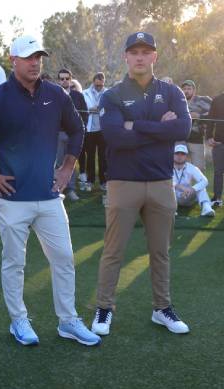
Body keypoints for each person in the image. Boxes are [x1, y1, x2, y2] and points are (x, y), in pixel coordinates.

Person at [0, 36, 101, 347]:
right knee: (14, 262)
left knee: (64, 258)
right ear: (13, 61)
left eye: (39, 56)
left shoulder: (56, 94)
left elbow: (78, 130)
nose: (35, 62)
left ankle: (68, 321)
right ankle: (18, 321)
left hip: (49, 196)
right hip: (10, 199)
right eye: (28, 57)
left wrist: (66, 168)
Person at [91, 32, 192, 336]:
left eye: (145, 52)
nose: (139, 57)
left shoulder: (171, 91)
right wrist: (160, 128)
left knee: (160, 251)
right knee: (113, 251)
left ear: (154, 56)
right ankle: (104, 308)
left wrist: (136, 126)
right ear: (126, 57)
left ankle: (162, 308)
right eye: (134, 52)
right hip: (124, 182)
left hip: (161, 182)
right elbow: (114, 136)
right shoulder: (113, 95)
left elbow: (183, 127)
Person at [56, 68, 87, 201]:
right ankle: (58, 189)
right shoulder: (55, 95)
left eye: (67, 78)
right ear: (58, 80)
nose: (64, 81)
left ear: (71, 79)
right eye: (62, 79)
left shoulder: (78, 95)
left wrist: (81, 129)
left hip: (74, 135)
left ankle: (71, 190)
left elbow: (85, 113)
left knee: (71, 162)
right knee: (58, 163)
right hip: (58, 134)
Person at [81, 72, 108, 192]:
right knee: (90, 156)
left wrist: (101, 109)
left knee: (103, 157)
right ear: (93, 82)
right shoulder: (84, 93)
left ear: (103, 83)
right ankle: (90, 181)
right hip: (90, 129)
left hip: (103, 129)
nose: (99, 87)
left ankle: (103, 181)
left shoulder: (108, 93)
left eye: (101, 85)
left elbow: (111, 108)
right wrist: (88, 110)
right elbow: (81, 108)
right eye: (97, 85)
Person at [172, 143, 215, 216]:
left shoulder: (191, 167)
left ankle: (206, 208)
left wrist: (192, 189)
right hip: (173, 196)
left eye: (182, 154)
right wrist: (180, 187)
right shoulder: (166, 167)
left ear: (186, 156)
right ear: (173, 155)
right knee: (166, 187)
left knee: (201, 188)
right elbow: (165, 182)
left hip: (188, 196)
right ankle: (171, 210)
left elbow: (205, 181)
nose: (179, 156)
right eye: (177, 153)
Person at [181, 79, 212, 171]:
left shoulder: (203, 100)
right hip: (180, 139)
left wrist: (199, 116)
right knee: (180, 169)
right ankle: (181, 186)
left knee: (199, 169)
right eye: (184, 89)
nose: (186, 91)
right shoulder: (178, 101)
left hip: (196, 139)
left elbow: (214, 113)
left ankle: (200, 185)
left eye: (189, 89)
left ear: (194, 90)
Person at [206, 91, 224, 207]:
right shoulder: (217, 100)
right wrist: (208, 137)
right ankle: (217, 198)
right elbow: (210, 120)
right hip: (219, 142)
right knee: (218, 171)